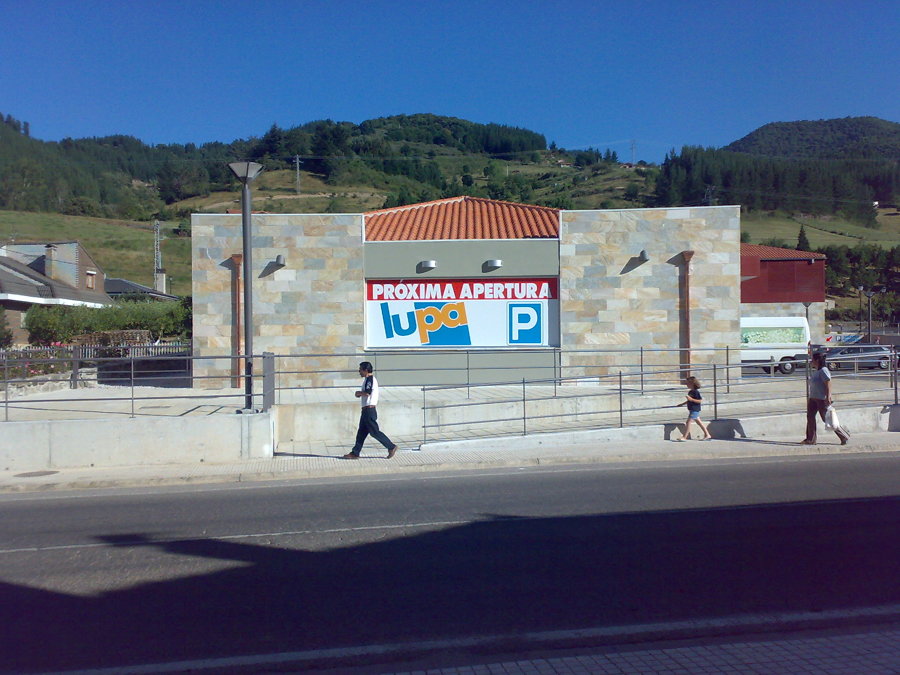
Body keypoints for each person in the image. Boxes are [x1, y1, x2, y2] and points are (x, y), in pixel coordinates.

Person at [343, 361, 399, 459]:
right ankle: (355, 453)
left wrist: (358, 393)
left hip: (369, 410)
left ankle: (391, 446)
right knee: (361, 433)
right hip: (365, 410)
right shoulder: (367, 379)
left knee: (374, 432)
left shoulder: (370, 379)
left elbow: (368, 392)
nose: (359, 371)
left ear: (366, 370)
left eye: (360, 369)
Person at [803, 352, 849, 445]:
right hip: (813, 398)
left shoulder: (824, 370)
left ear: (817, 360)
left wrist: (828, 396)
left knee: (827, 419)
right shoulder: (817, 371)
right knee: (810, 417)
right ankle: (810, 439)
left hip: (821, 398)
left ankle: (844, 436)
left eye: (813, 360)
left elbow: (828, 383)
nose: (811, 362)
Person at [675, 376, 711, 441]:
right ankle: (707, 434)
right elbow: (689, 400)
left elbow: (699, 400)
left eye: (687, 383)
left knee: (688, 422)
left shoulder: (696, 392)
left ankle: (685, 437)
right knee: (699, 422)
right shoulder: (690, 392)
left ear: (692, 383)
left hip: (695, 409)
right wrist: (682, 404)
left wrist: (691, 399)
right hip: (692, 409)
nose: (686, 385)